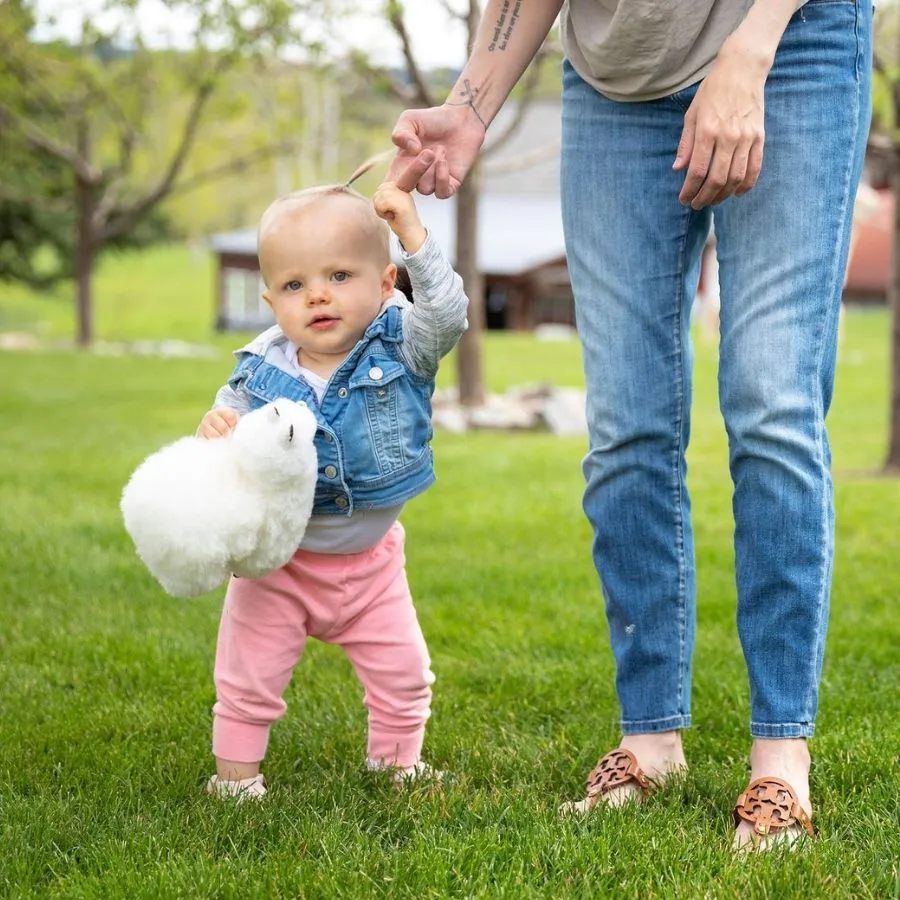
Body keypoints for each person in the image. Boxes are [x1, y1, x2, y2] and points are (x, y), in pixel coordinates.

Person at [387, 0, 872, 848]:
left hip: (790, 43)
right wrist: (468, 105)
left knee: (772, 405)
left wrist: (749, 51)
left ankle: (780, 759)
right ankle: (650, 738)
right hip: (615, 72)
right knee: (625, 425)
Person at [198, 174, 469, 799]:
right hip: (278, 564)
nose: (318, 296)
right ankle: (235, 779)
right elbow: (226, 427)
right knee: (247, 676)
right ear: (272, 303)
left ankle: (396, 764)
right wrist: (217, 429)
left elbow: (449, 312)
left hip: (372, 565)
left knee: (404, 674)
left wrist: (411, 235)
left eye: (339, 277)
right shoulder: (260, 370)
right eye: (295, 285)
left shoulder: (405, 346)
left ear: (384, 284)